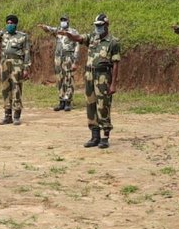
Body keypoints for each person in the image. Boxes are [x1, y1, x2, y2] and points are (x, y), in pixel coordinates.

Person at [65, 14, 121, 149]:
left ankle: (105, 137)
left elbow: (116, 64)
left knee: (103, 106)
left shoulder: (113, 42)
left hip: (103, 77)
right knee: (91, 105)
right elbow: (79, 38)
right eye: (96, 25)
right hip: (89, 75)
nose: (98, 28)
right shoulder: (92, 38)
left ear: (106, 25)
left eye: (100, 25)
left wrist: (113, 83)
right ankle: (94, 136)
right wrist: (68, 35)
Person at [0, 14, 32, 125]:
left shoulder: (23, 36)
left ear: (16, 24)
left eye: (11, 23)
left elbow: (27, 53)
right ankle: (7, 115)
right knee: (5, 88)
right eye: (8, 23)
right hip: (4, 63)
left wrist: (26, 68)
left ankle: (16, 115)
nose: (9, 25)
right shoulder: (3, 34)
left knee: (16, 88)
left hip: (17, 63)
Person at [39, 16, 80, 111]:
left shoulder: (73, 32)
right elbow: (49, 29)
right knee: (59, 79)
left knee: (68, 78)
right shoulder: (58, 30)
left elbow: (77, 46)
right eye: (61, 20)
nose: (63, 22)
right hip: (58, 58)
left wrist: (75, 61)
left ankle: (68, 101)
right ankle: (61, 100)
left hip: (68, 57)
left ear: (68, 21)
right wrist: (43, 26)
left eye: (65, 20)